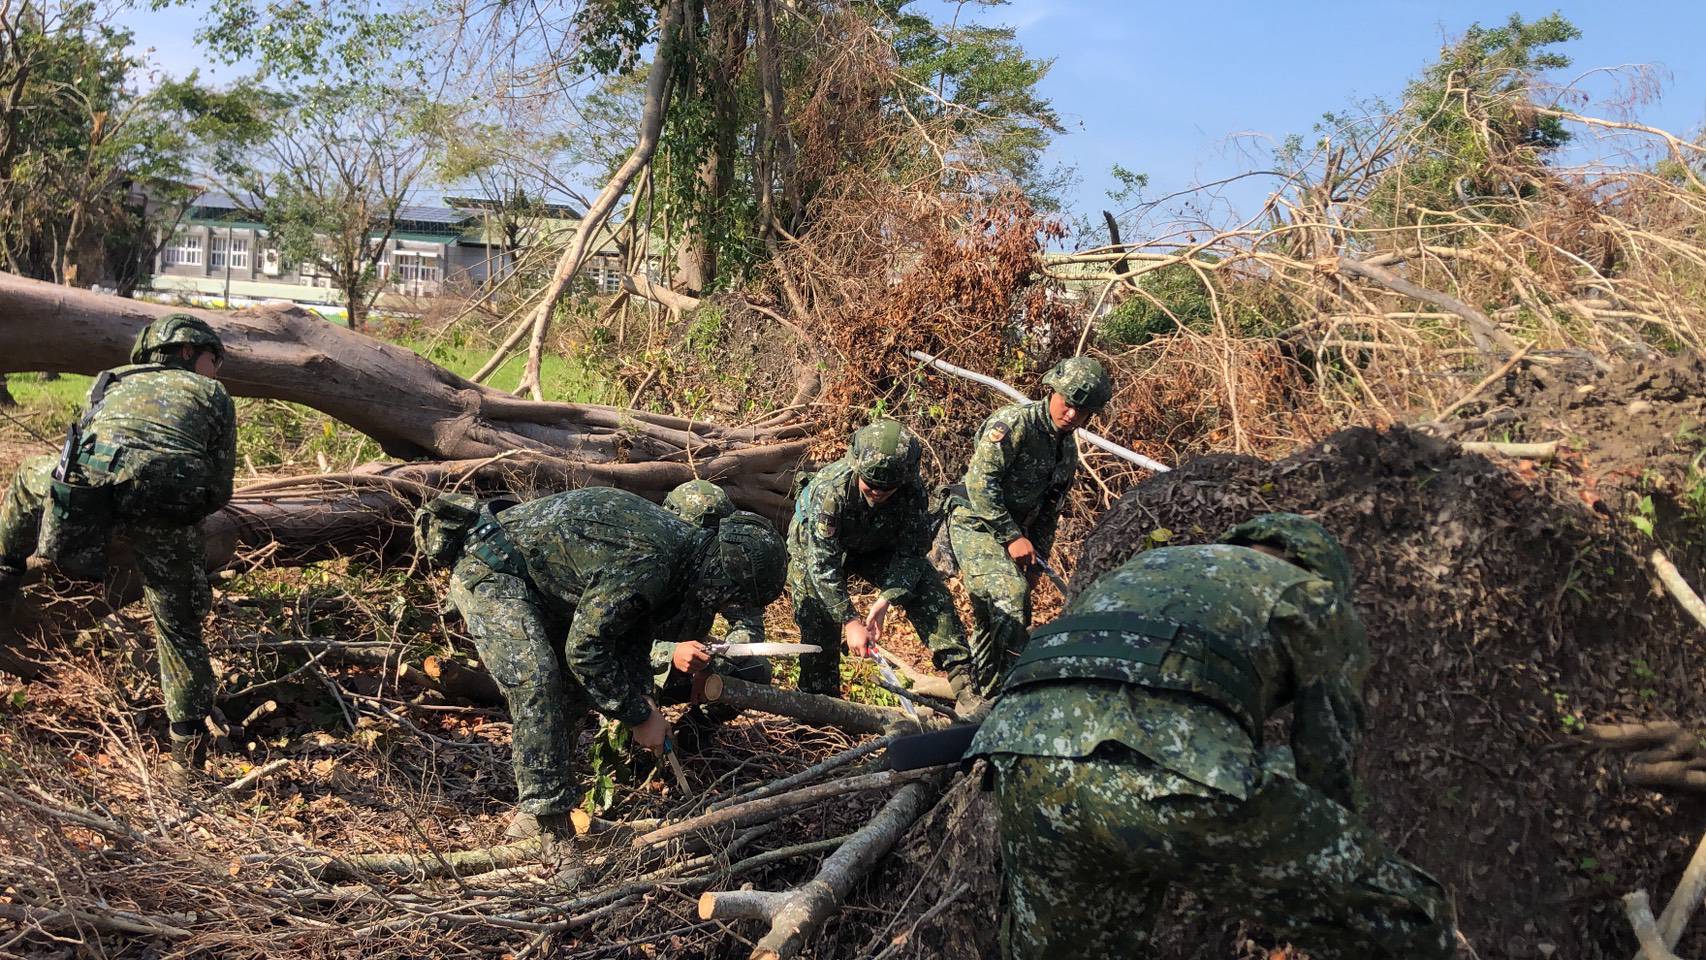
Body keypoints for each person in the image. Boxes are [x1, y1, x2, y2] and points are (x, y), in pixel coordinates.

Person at [964, 513, 1457, 960]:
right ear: (1321, 570)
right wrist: (1329, 849)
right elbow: (1328, 755)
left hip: (1020, 755)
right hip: (1169, 771)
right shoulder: (1312, 596)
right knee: (1409, 918)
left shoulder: (1148, 565)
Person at [444, 486, 785, 844]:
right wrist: (638, 716)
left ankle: (538, 817)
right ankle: (550, 833)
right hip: (493, 565)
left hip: (541, 582)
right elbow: (585, 650)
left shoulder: (684, 559)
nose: (726, 604)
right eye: (731, 595)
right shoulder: (654, 560)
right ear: (722, 573)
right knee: (539, 681)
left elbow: (631, 633)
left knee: (571, 691)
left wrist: (643, 696)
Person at [0, 314, 236, 775]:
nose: (217, 370)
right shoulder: (213, 394)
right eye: (215, 359)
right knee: (178, 626)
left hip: (93, 492)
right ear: (188, 351)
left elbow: (75, 453)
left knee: (28, 478)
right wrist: (181, 515)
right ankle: (186, 762)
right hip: (163, 504)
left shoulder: (110, 379)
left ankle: (7, 571)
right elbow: (221, 486)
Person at [946, 355, 1111, 695]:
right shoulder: (1014, 423)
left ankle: (979, 695)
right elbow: (980, 484)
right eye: (1068, 404)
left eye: (1082, 411)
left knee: (994, 616)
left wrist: (1037, 561)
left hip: (1015, 534)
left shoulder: (1067, 451)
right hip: (974, 523)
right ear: (1052, 391)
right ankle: (1006, 695)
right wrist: (1011, 537)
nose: (1072, 415)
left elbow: (1050, 512)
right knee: (1011, 595)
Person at [788, 419, 978, 710]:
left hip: (875, 544)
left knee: (928, 589)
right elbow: (822, 565)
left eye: (886, 488)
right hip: (815, 549)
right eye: (871, 484)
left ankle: (965, 682)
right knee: (818, 620)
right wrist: (851, 621)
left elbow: (912, 552)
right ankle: (820, 707)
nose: (877, 492)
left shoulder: (912, 491)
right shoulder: (831, 491)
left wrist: (886, 599)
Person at [651, 479, 774, 748]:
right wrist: (670, 654)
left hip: (687, 667)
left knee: (754, 670)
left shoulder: (727, 564)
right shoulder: (647, 561)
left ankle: (694, 732)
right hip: (636, 671)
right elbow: (609, 644)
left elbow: (748, 623)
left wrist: (713, 666)